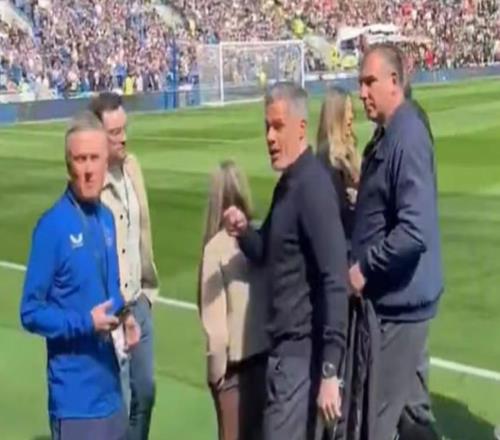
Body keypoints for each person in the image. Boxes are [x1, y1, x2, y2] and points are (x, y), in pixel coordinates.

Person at [223, 82, 349, 440]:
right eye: (267, 127)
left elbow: (335, 279)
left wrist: (329, 372)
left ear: (301, 128)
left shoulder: (312, 187)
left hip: (302, 358)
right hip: (285, 354)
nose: (270, 137)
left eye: (278, 127)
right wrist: (244, 231)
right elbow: (267, 250)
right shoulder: (289, 185)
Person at [19, 111, 140, 440]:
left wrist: (126, 315)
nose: (87, 169)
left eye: (94, 158)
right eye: (79, 159)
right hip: (75, 404)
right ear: (68, 165)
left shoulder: (107, 219)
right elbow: (30, 312)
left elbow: (109, 290)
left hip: (112, 392)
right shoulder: (52, 228)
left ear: (106, 161)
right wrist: (85, 323)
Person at [351, 43, 443, 440]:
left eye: (369, 82)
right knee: (412, 417)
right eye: (360, 83)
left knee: (379, 423)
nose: (362, 92)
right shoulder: (391, 134)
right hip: (400, 300)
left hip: (400, 308)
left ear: (394, 81)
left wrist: (364, 267)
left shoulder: (407, 136)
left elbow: (413, 231)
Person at [89, 92, 159, 440]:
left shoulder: (133, 167)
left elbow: (141, 230)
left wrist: (146, 292)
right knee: (120, 398)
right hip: (111, 311)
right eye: (115, 132)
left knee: (146, 391)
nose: (123, 138)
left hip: (139, 299)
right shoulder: (91, 185)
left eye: (124, 129)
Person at [198, 160, 269, 440]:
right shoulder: (261, 236)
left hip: (235, 370)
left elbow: (216, 328)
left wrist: (215, 373)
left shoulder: (215, 248)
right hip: (266, 360)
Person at [316, 86, 361, 246]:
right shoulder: (325, 160)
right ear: (336, 115)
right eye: (348, 111)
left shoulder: (349, 152)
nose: (351, 116)